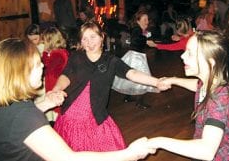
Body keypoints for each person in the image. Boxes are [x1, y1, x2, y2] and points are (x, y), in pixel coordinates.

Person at [0, 38, 156, 161]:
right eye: (37, 63)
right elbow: (68, 158)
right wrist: (128, 154)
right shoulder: (24, 115)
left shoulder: (2, 104)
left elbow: (14, 126)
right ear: (20, 71)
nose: (43, 66)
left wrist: (45, 104)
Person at [52, 20, 169, 152]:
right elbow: (66, 76)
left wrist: (156, 82)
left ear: (102, 37)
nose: (89, 42)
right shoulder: (76, 57)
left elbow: (132, 73)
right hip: (71, 115)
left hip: (96, 115)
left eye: (92, 37)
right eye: (84, 39)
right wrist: (56, 89)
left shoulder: (111, 61)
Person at [147, 30, 229, 161]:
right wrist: (173, 80)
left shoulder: (219, 99)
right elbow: (198, 85)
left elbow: (206, 150)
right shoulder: (212, 81)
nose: (183, 56)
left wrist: (158, 142)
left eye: (190, 53)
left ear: (210, 62)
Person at [112, 9, 158, 109]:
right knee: (143, 78)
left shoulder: (139, 29)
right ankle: (139, 102)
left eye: (147, 19)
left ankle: (128, 97)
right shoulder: (137, 30)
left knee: (131, 78)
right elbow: (135, 41)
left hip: (136, 55)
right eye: (144, 19)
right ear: (138, 20)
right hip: (136, 57)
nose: (147, 22)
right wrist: (145, 40)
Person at [41, 27, 69, 123]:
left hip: (56, 82)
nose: (43, 43)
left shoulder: (58, 54)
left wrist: (45, 53)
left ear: (50, 41)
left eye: (44, 41)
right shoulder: (57, 52)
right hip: (53, 81)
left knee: (58, 106)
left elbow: (47, 66)